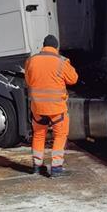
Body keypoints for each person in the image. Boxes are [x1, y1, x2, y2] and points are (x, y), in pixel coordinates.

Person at [24, 35, 78, 177]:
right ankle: (56, 168)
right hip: (56, 109)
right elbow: (74, 79)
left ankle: (37, 166)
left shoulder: (31, 61)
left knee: (39, 135)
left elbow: (28, 81)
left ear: (43, 45)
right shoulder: (61, 62)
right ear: (56, 47)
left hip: (37, 108)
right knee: (60, 135)